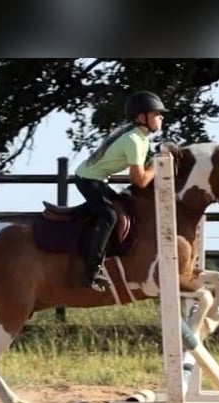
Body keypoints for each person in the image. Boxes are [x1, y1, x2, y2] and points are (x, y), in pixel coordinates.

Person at [74, 90, 167, 291]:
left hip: (97, 179)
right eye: (157, 113)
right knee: (109, 216)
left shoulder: (141, 138)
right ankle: (91, 272)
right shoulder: (134, 140)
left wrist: (157, 162)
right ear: (142, 117)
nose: (161, 117)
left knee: (123, 207)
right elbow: (140, 180)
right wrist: (158, 165)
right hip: (88, 180)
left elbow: (144, 169)